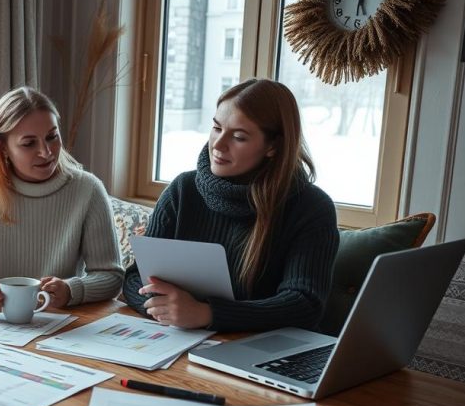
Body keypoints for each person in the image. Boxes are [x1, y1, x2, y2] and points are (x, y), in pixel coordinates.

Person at [123, 78, 339, 332]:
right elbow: (135, 278)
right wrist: (165, 308)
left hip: (258, 349)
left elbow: (304, 304)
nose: (218, 144)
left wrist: (207, 314)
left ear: (273, 146)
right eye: (216, 127)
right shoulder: (183, 190)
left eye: (238, 137)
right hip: (177, 340)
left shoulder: (311, 208)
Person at [0, 87, 123, 316]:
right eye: (29, 143)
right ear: (2, 146)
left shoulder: (88, 190)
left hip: (62, 330)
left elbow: (112, 277)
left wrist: (71, 290)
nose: (46, 152)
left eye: (52, 136)